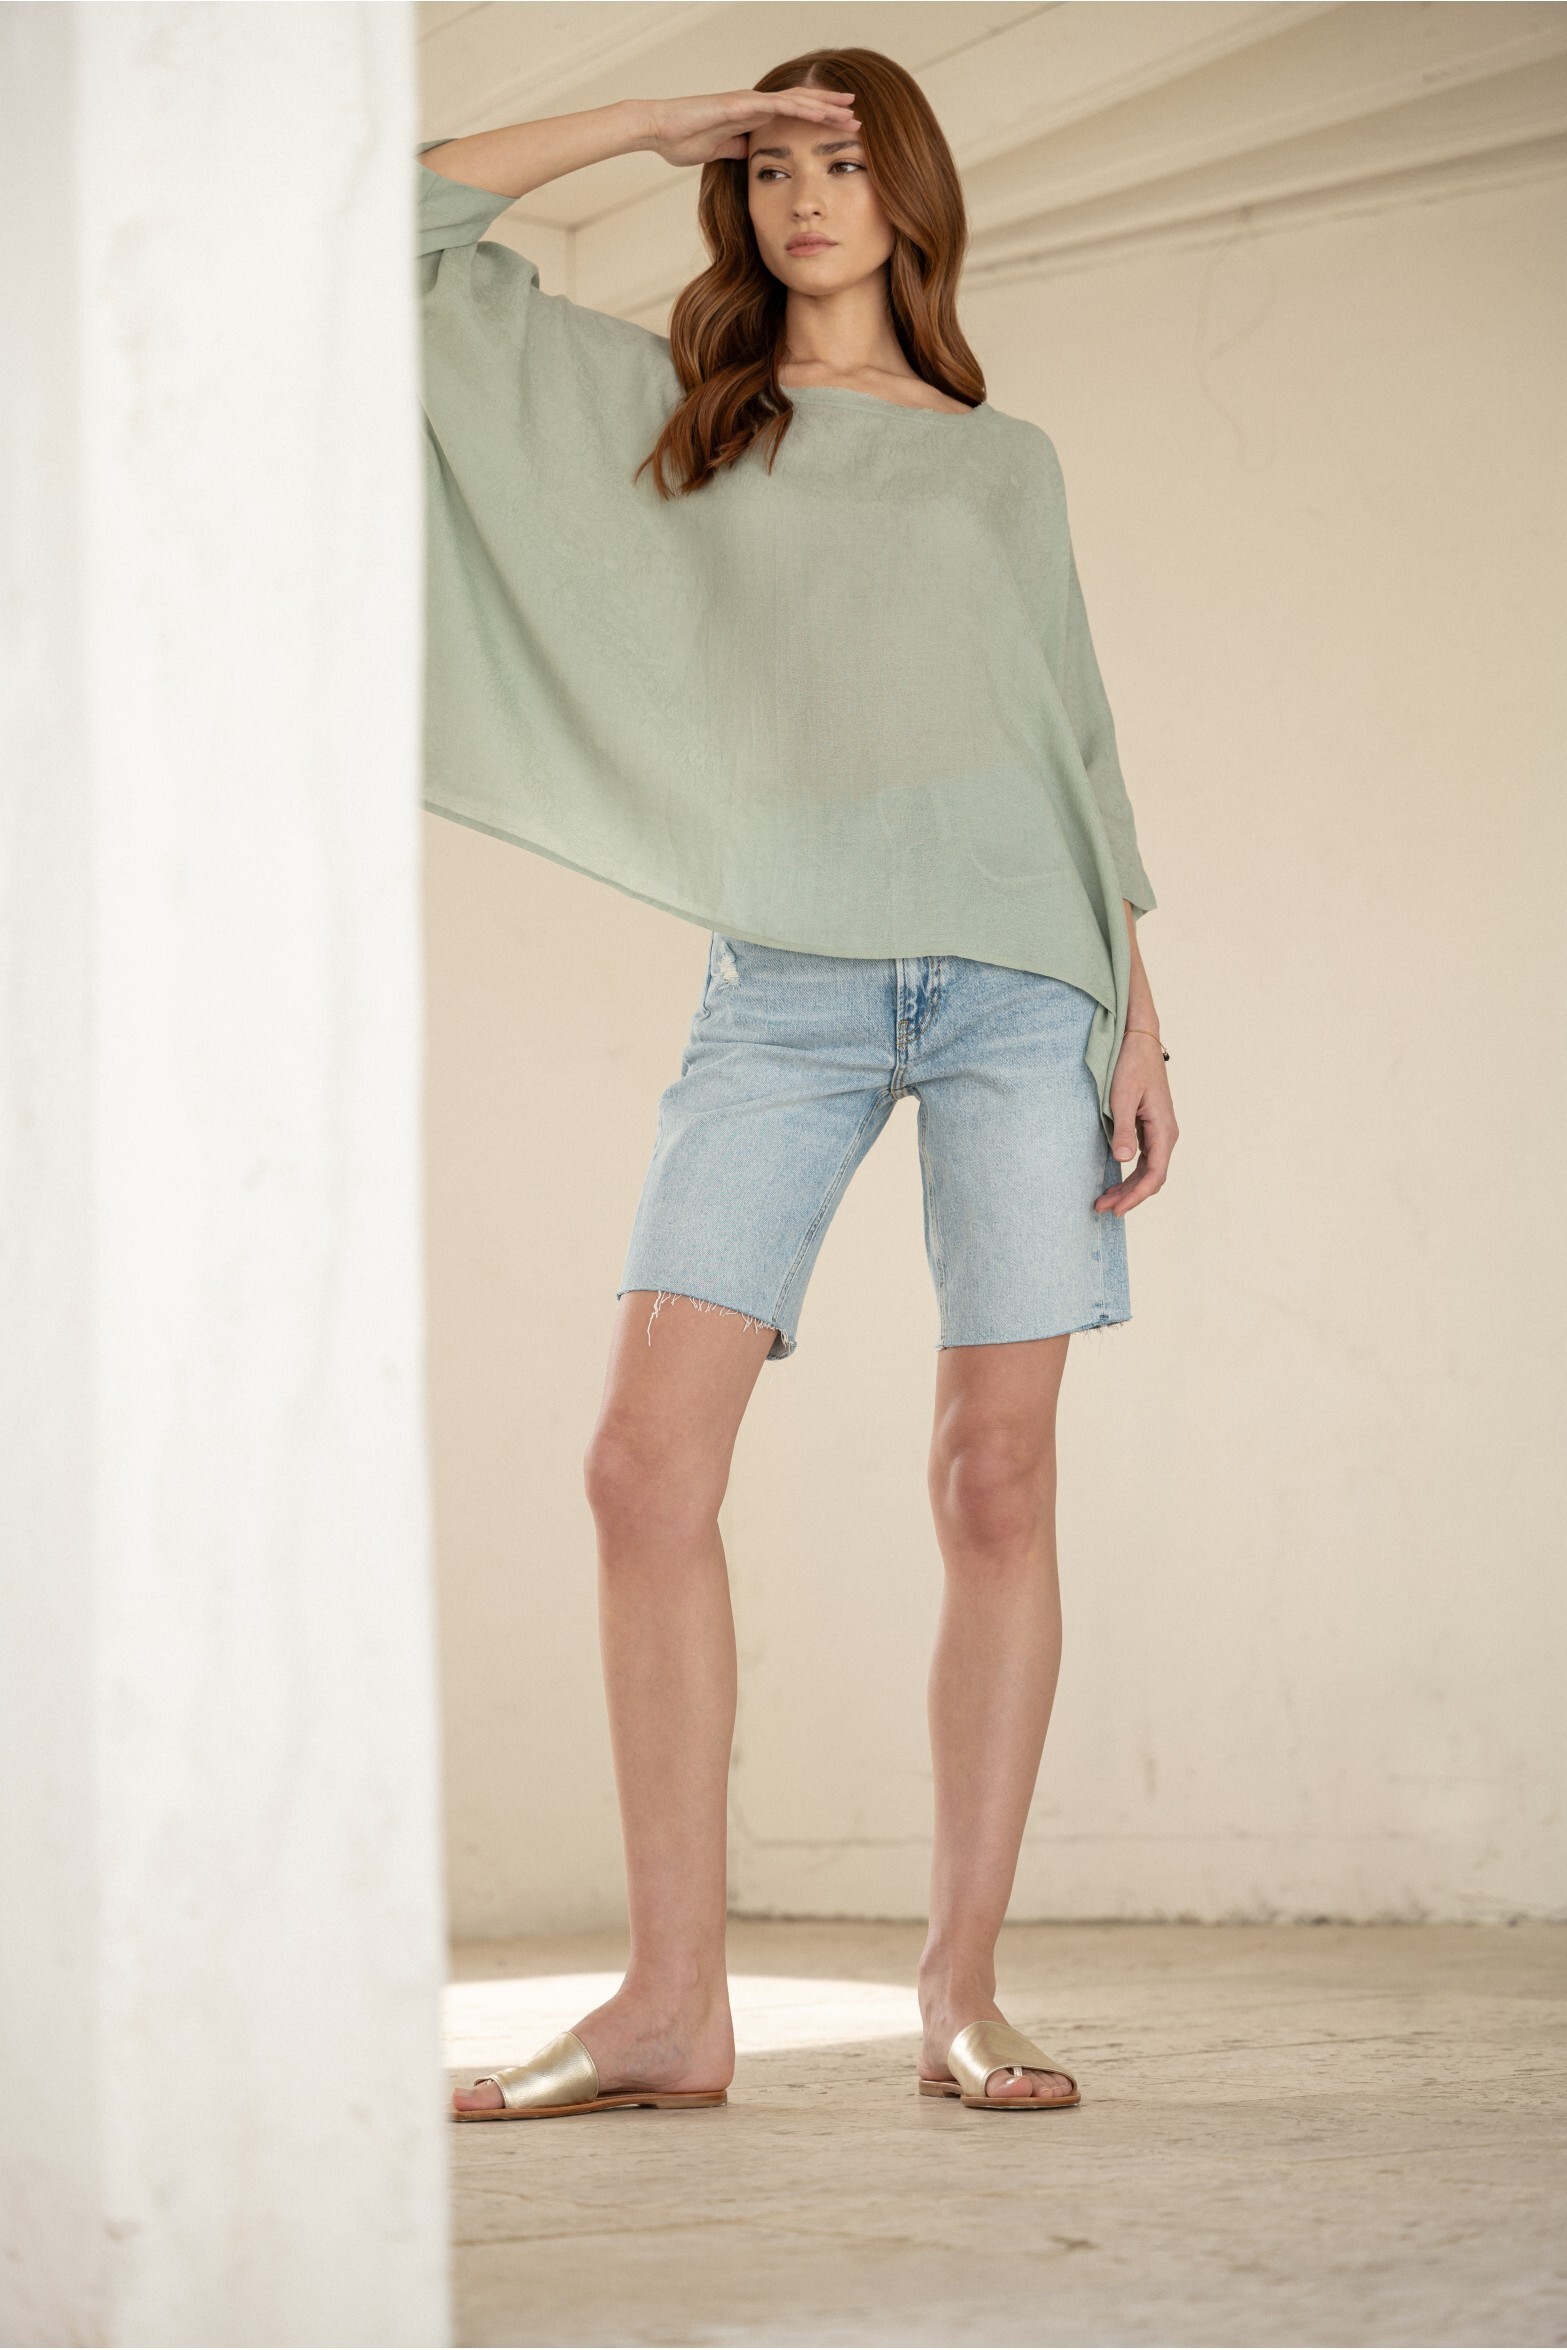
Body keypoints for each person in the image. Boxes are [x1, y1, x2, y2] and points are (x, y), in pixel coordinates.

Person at [420, 47, 1178, 2122]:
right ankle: (672, 2000)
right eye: (770, 167)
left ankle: (961, 1989)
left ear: (908, 190)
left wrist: (1136, 1006)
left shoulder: (1007, 466)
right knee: (640, 1467)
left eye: (841, 160)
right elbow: (393, 236)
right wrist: (644, 121)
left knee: (996, 1476)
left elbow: (1073, 742)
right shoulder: (699, 422)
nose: (803, 197)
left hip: (1023, 983)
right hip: (786, 988)